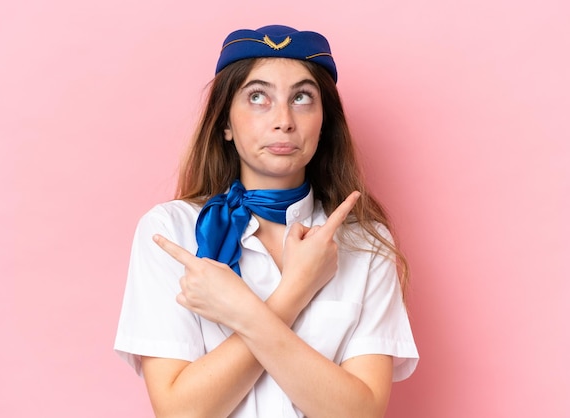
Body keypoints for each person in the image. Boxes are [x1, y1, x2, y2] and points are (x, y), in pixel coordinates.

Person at [114, 24, 419, 418]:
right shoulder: (170, 231)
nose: (283, 120)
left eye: (303, 98)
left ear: (324, 122)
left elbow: (360, 413)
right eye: (258, 97)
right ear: (225, 122)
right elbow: (180, 412)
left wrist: (243, 311)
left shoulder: (365, 243)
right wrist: (295, 290)